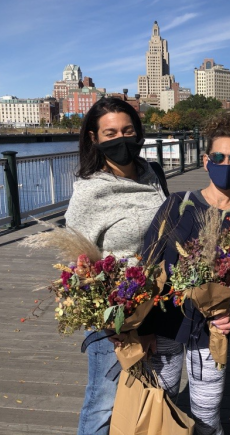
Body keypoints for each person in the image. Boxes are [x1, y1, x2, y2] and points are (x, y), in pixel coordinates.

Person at [139, 111, 230, 435]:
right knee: (161, 404)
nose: (226, 164)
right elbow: (148, 261)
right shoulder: (178, 204)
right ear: (206, 160)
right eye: (218, 157)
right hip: (164, 323)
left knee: (207, 415)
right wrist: (143, 327)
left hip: (210, 333)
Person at [64, 97, 168, 435]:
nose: (120, 139)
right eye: (110, 133)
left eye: (127, 130)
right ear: (94, 138)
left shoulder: (152, 173)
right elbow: (77, 259)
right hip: (111, 316)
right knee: (103, 402)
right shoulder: (90, 192)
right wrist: (112, 322)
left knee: (143, 399)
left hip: (153, 304)